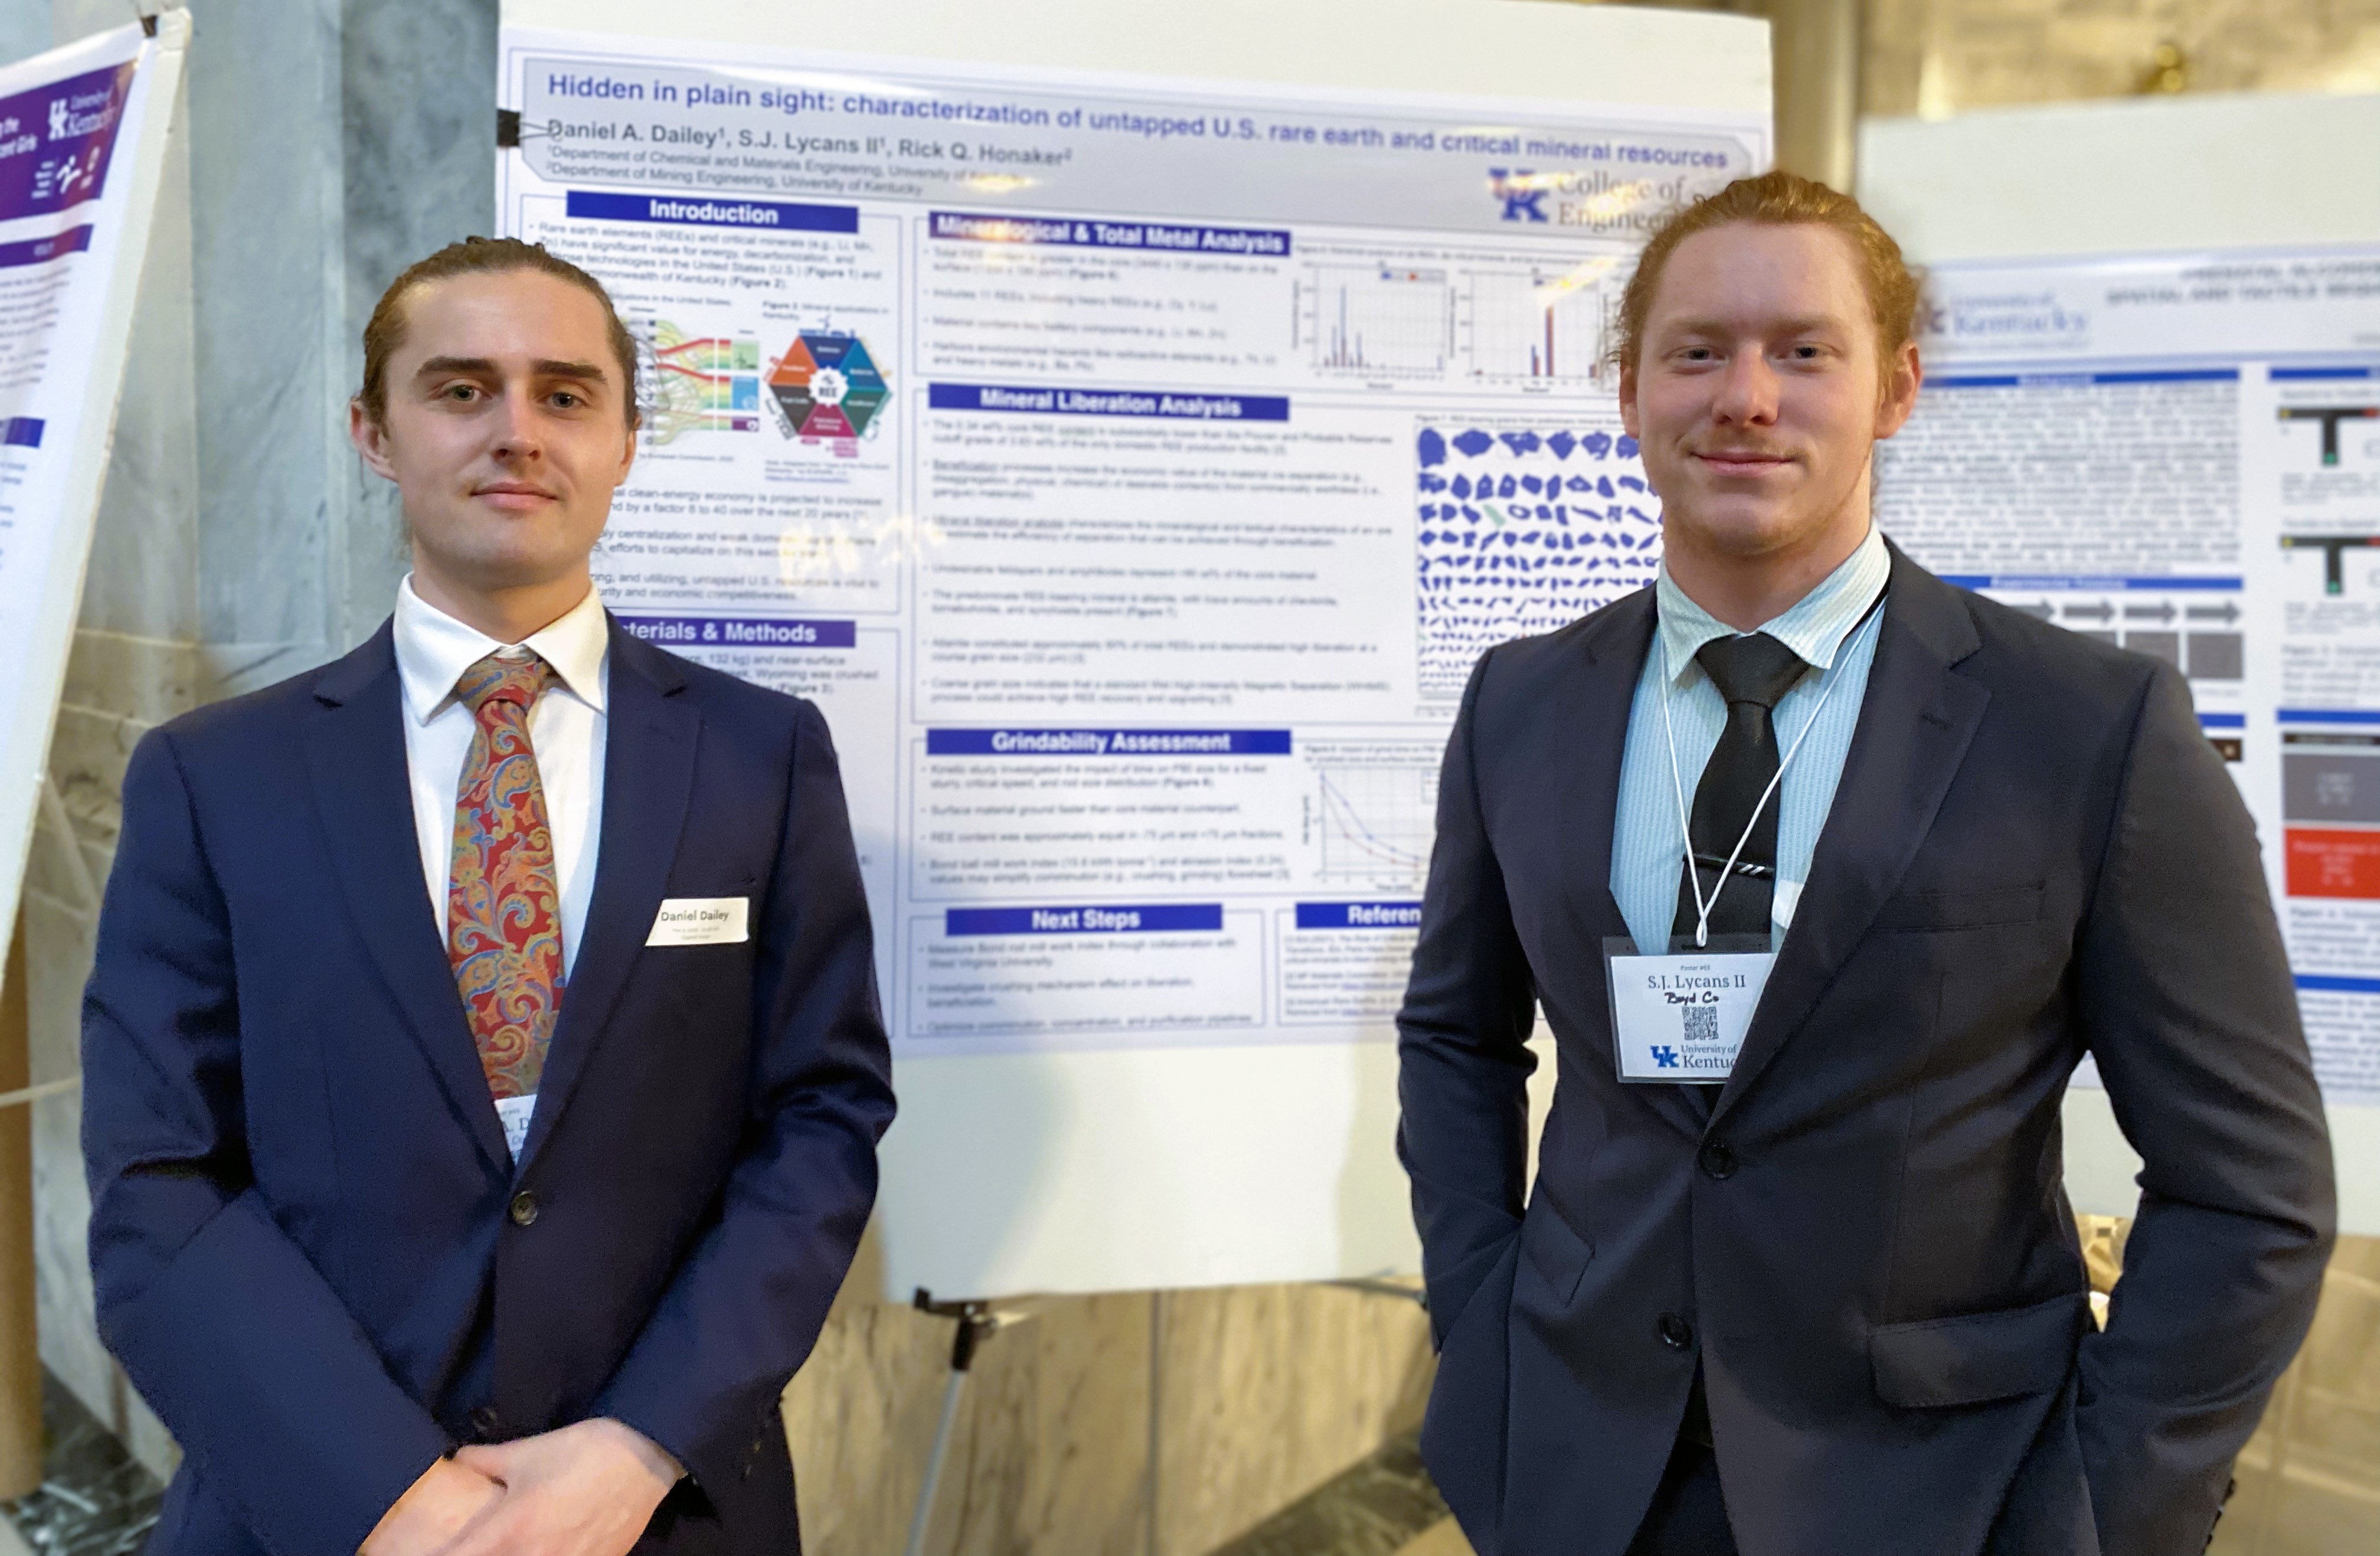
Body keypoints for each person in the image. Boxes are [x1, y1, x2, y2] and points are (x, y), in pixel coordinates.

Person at [1395, 172, 2335, 1556]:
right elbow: (1454, 1037)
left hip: (1942, 1492)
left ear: (1895, 389)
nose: (1748, 397)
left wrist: (2101, 1505)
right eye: (1698, 350)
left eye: (1804, 351)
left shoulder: (2087, 726)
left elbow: (2251, 1186)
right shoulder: (1521, 702)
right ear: (1630, 391)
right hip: (1578, 1466)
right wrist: (1484, 1317)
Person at [81, 237, 895, 1555]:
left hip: (664, 1505)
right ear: (374, 432)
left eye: (565, 394)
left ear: (628, 439)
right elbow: (159, 1177)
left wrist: (636, 1447)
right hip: (308, 1510)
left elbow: (822, 1116)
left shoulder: (763, 756)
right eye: (461, 390)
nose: (518, 430)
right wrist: (392, 1494)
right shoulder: (212, 778)